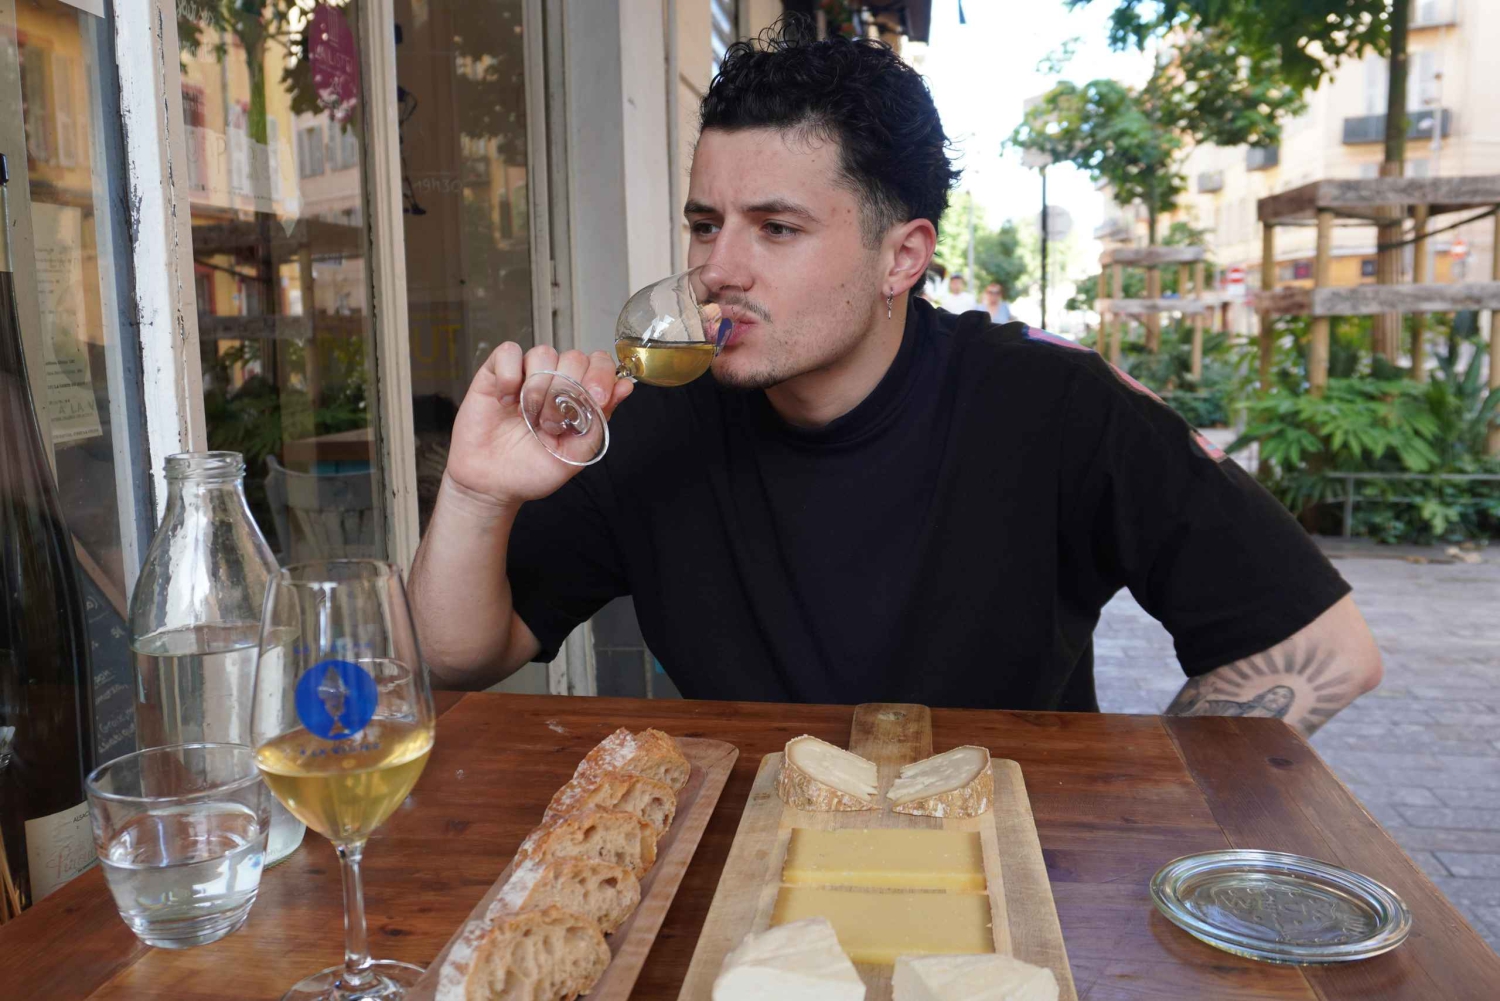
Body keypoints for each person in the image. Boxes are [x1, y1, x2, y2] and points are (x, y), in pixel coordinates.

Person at [408, 19, 1381, 737]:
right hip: (746, 884)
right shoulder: (657, 419)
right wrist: (478, 492)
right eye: (706, 224)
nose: (718, 267)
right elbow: (457, 657)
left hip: (994, 887)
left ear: (901, 257)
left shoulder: (1054, 406)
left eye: (776, 228)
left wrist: (1127, 817)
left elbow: (1327, 651)